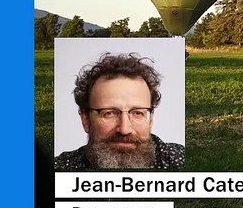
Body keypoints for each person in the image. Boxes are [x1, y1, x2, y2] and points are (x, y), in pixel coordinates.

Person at [55, 52, 185, 170]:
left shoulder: (178, 160)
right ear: (85, 119)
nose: (124, 129)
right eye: (109, 113)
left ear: (150, 119)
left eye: (138, 113)